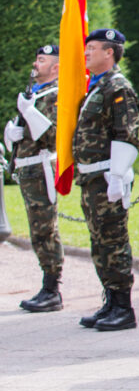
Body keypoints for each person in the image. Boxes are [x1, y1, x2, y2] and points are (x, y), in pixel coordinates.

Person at [73, 28, 139, 332]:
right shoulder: (95, 86)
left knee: (113, 242)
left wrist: (117, 175)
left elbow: (126, 133)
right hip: (91, 177)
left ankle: (123, 307)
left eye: (92, 49)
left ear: (109, 52)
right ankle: (110, 301)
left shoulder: (118, 87)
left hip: (107, 175)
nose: (86, 53)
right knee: (99, 242)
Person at [10, 45, 62, 313]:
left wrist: (29, 113)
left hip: (43, 167)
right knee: (37, 229)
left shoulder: (56, 94)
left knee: (45, 228)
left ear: (55, 67)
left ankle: (52, 288)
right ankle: (47, 284)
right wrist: (13, 134)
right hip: (28, 167)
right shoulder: (35, 93)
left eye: (41, 60)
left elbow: (53, 135)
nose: (35, 63)